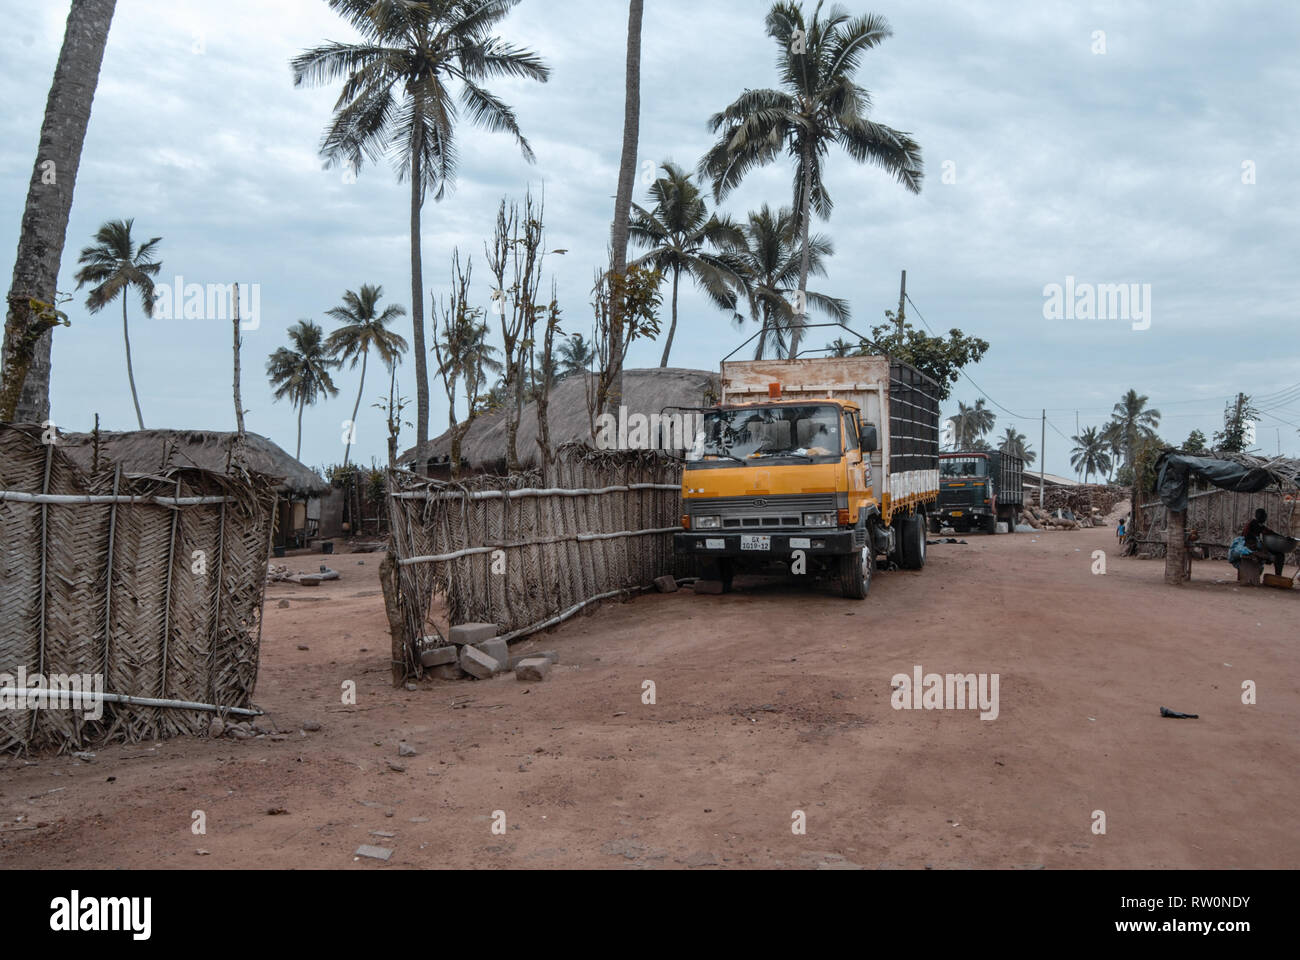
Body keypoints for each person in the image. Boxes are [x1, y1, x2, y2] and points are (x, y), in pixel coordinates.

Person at [1243, 508, 1286, 577]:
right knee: (1278, 556)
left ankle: (1278, 576)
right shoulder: (1252, 524)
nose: (1264, 518)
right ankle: (1278, 575)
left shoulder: (1260, 526)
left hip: (1257, 548)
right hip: (1250, 548)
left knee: (1280, 555)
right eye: (1263, 516)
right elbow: (1246, 538)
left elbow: (1270, 532)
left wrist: (1283, 537)